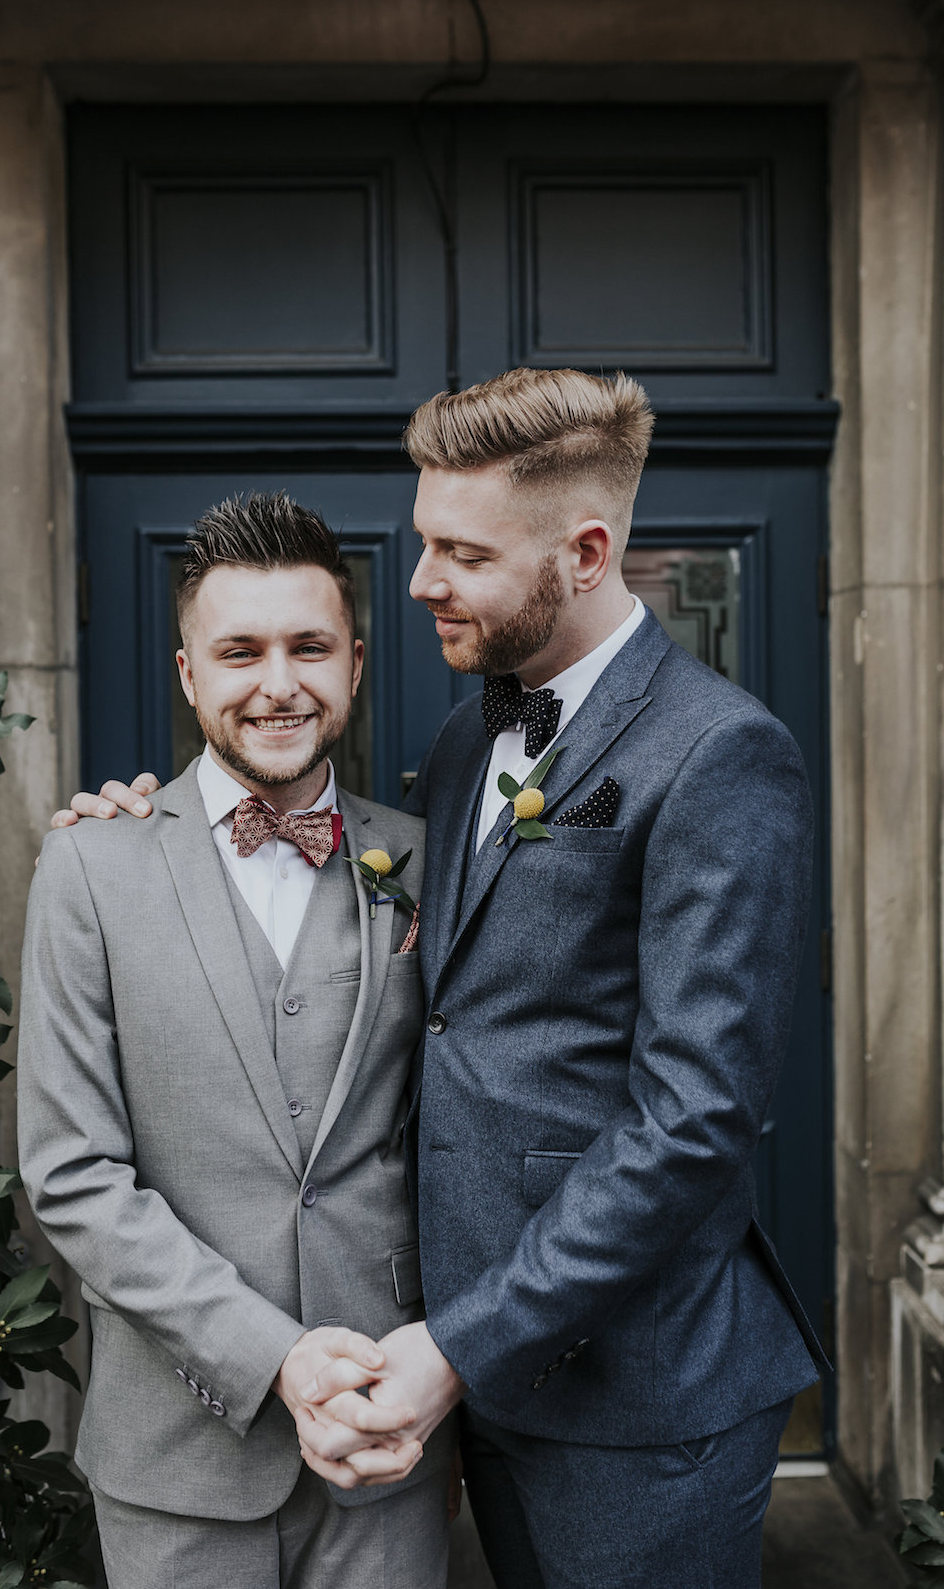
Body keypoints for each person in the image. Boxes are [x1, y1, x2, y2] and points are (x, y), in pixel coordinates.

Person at [57, 367, 827, 1589]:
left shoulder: (722, 752)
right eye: (423, 544)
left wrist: (457, 1346)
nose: (421, 582)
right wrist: (146, 836)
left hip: (636, 1395)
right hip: (472, 1401)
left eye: (459, 554)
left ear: (582, 552)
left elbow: (695, 1121)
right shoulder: (472, 740)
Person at [19, 492, 454, 1589]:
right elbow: (71, 1175)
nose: (278, 684)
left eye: (309, 647)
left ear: (354, 663)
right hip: (178, 1455)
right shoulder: (90, 869)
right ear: (188, 674)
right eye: (241, 651)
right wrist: (275, 1359)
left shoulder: (430, 863)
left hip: (386, 1436)